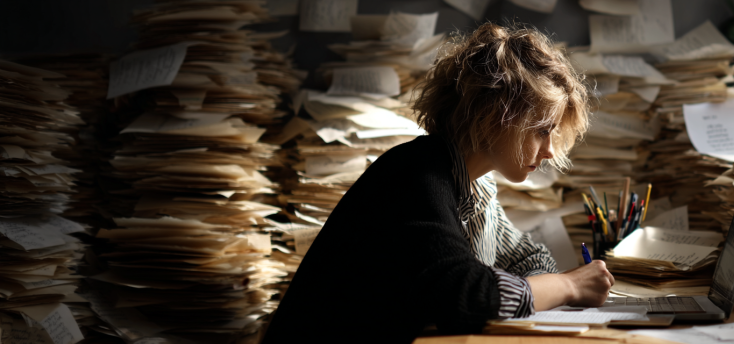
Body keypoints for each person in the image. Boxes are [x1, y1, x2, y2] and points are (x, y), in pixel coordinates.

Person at [261, 23, 614, 343]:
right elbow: (466, 295)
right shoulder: (416, 175)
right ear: (495, 115)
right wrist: (568, 285)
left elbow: (525, 255)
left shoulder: (476, 184)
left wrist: (533, 287)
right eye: (541, 131)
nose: (551, 151)